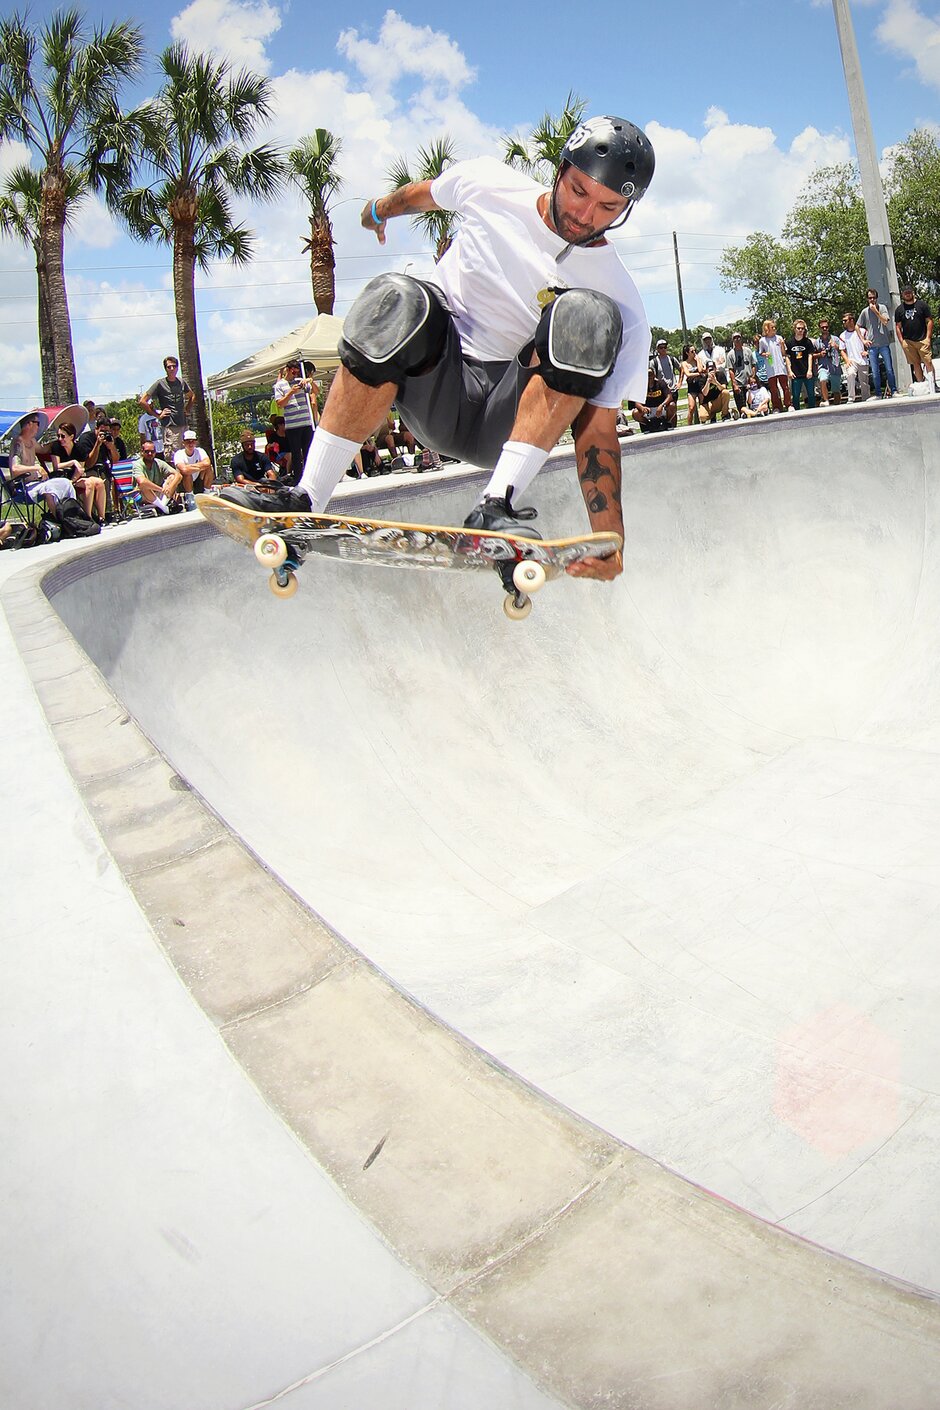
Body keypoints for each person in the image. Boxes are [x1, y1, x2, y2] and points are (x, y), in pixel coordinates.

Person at [222, 114, 656, 584]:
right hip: (433, 386)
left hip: (505, 420)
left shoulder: (624, 302)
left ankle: (496, 507)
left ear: (625, 210)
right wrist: (377, 211)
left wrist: (611, 540)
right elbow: (421, 195)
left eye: (607, 207)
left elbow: (598, 431)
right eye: (578, 191)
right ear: (559, 170)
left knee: (587, 313)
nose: (585, 214)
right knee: (401, 295)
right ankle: (305, 499)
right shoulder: (489, 184)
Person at [8, 414, 77, 515]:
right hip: (23, 487)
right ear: (29, 424)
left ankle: (73, 515)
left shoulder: (32, 441)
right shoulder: (18, 443)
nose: (39, 427)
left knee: (65, 483)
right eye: (37, 423)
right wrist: (36, 468)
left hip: (37, 483)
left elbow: (43, 449)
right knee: (49, 489)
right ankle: (59, 520)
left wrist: (61, 440)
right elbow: (15, 468)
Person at [46, 420, 107, 521]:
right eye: (59, 436)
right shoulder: (56, 446)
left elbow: (80, 469)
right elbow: (57, 466)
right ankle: (88, 517)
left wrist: (73, 481)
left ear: (71, 436)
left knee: (99, 482)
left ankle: (102, 517)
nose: (60, 439)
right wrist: (73, 462)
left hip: (75, 478)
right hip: (62, 479)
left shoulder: (79, 448)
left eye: (63, 436)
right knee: (89, 484)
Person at [139, 355, 196, 459]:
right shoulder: (160, 383)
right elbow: (143, 401)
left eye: (174, 366)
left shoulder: (181, 382)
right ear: (165, 369)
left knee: (186, 455)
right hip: (170, 426)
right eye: (169, 367)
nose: (172, 369)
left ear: (177, 368)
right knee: (172, 457)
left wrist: (187, 409)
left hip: (183, 424)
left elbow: (192, 396)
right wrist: (157, 414)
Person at [272, 360, 317, 480]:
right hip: (292, 426)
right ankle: (298, 480)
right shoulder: (279, 385)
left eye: (297, 372)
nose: (295, 375)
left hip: (306, 423)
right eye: (293, 372)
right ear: (287, 369)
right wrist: (291, 392)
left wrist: (309, 380)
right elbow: (280, 404)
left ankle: (310, 478)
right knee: (296, 454)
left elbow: (315, 392)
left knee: (309, 452)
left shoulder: (300, 381)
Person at [857, 288, 897, 398]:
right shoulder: (864, 312)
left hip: (884, 343)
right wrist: (863, 340)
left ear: (877, 298)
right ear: (867, 299)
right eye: (870, 298)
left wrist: (876, 311)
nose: (872, 300)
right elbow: (857, 326)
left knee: (889, 369)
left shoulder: (882, 308)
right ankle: (878, 393)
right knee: (875, 371)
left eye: (874, 297)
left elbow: (885, 321)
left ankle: (894, 390)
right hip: (872, 346)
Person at [894, 287, 936, 390]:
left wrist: (928, 338)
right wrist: (902, 341)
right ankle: (921, 386)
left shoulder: (922, 305)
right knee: (915, 364)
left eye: (909, 292)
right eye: (905, 293)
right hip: (908, 341)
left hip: (922, 339)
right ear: (902, 295)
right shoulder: (899, 309)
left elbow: (929, 321)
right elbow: (898, 327)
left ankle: (932, 385)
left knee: (928, 362)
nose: (907, 294)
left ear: (913, 293)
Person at [130, 441, 181, 514]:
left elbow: (178, 475)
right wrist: (161, 489)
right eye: (147, 451)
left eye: (152, 451)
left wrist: (170, 487)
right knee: (143, 485)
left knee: (172, 477)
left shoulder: (158, 463)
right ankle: (164, 508)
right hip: (144, 495)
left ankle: (162, 507)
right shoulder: (137, 464)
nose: (150, 454)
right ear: (142, 452)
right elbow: (142, 481)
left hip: (160, 494)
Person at [173, 429, 213, 509]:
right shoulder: (179, 454)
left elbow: (207, 463)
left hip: (198, 478)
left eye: (193, 441)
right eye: (188, 441)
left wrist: (190, 467)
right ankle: (190, 497)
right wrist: (200, 466)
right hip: (184, 482)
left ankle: (206, 493)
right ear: (183, 443)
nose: (190, 444)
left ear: (196, 442)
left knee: (209, 468)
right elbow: (183, 469)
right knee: (187, 473)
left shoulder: (200, 451)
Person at [629, 365, 675, 432]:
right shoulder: (641, 387)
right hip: (648, 410)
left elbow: (669, 396)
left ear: (654, 375)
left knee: (672, 405)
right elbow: (636, 402)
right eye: (647, 374)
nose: (649, 376)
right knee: (635, 413)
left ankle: (667, 422)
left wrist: (662, 405)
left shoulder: (661, 383)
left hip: (660, 408)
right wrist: (642, 408)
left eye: (650, 374)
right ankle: (649, 425)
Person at [758, 319, 791, 411]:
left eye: (775, 327)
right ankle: (777, 407)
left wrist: (782, 345)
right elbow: (760, 353)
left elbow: (784, 353)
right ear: (767, 328)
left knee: (785, 387)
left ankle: (788, 404)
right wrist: (765, 354)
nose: (774, 329)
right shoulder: (762, 341)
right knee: (773, 389)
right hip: (770, 367)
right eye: (772, 327)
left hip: (780, 366)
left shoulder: (779, 338)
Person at [785, 319, 817, 410]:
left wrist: (810, 370)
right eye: (798, 328)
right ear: (794, 329)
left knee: (811, 394)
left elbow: (810, 356)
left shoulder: (808, 342)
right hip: (795, 373)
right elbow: (787, 357)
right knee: (795, 396)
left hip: (807, 372)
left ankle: (812, 411)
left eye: (802, 329)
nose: (800, 330)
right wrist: (789, 371)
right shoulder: (789, 342)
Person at [840, 312, 870, 402]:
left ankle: (866, 398)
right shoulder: (843, 335)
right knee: (850, 374)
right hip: (852, 361)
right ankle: (851, 398)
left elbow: (869, 342)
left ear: (851, 320)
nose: (844, 323)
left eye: (845, 320)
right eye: (843, 321)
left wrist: (867, 352)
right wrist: (847, 360)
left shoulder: (862, 331)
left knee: (864, 381)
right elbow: (842, 350)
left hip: (863, 360)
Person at [814, 319, 844, 406]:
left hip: (835, 366)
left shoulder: (835, 339)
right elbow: (812, 355)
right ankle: (826, 400)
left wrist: (836, 346)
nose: (824, 329)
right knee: (822, 379)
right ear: (819, 328)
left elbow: (842, 350)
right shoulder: (817, 342)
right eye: (822, 327)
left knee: (836, 390)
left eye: (826, 327)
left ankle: (836, 405)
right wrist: (819, 354)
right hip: (823, 366)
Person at [726, 331, 756, 416]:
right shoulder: (730, 354)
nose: (737, 339)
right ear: (732, 340)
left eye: (738, 337)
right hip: (739, 383)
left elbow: (753, 365)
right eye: (735, 338)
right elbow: (731, 370)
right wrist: (734, 384)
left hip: (749, 382)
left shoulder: (748, 351)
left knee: (752, 404)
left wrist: (752, 377)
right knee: (741, 407)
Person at [680, 343, 704, 425]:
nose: (694, 353)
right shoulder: (684, 363)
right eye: (692, 351)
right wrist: (698, 374)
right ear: (687, 353)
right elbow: (688, 374)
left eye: (695, 351)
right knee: (691, 407)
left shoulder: (697, 360)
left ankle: (703, 422)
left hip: (700, 385)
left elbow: (701, 370)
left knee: (702, 405)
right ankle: (689, 424)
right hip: (692, 387)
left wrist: (698, 360)